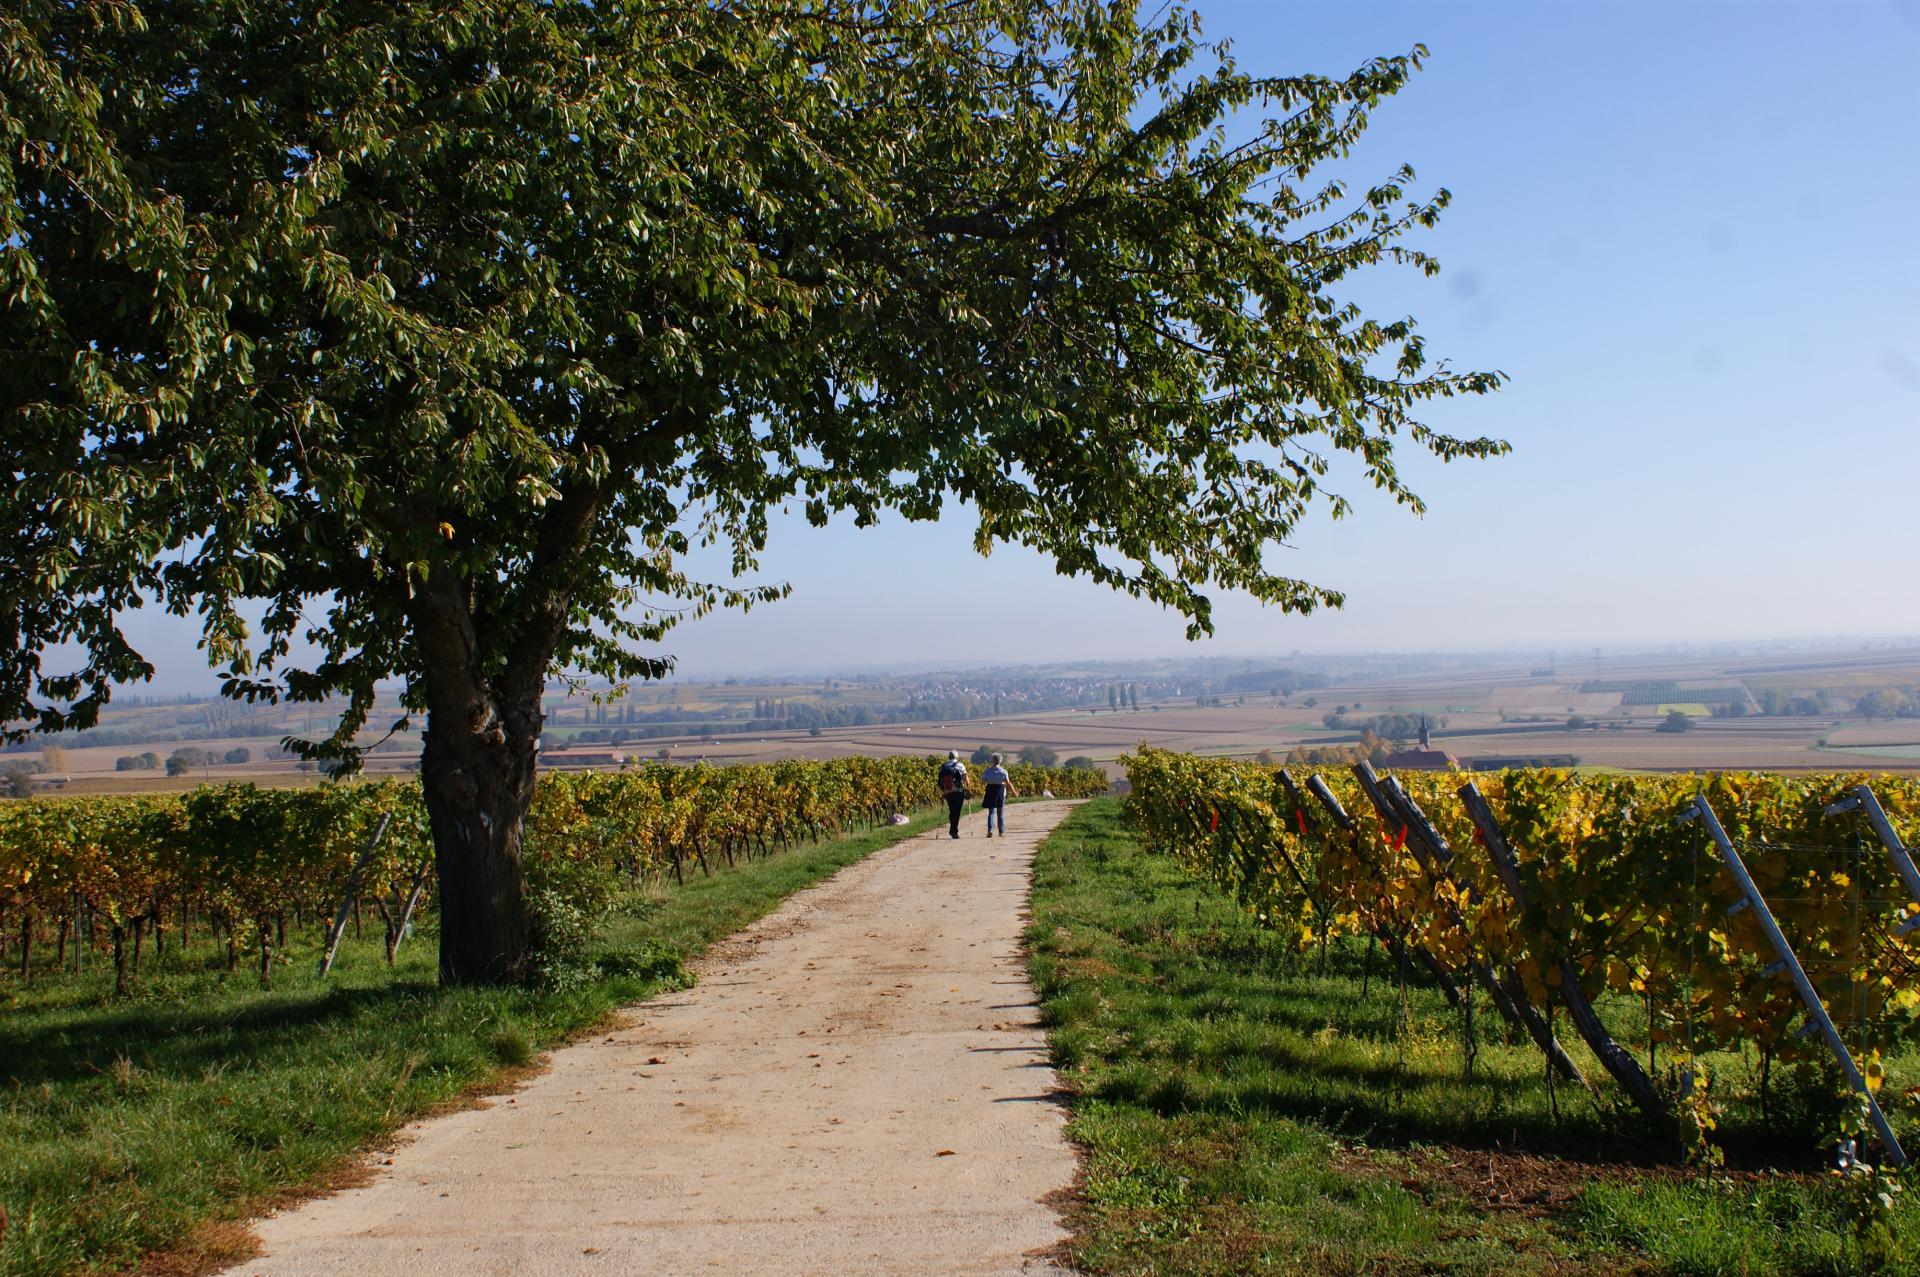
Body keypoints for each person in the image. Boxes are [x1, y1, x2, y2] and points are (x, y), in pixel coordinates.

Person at [981, 753, 1016, 837]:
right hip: (1000, 792)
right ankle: (1001, 831)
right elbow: (1008, 783)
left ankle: (990, 830)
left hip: (990, 791)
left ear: (992, 760)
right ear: (1000, 761)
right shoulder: (1003, 771)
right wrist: (1014, 792)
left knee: (991, 812)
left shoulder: (987, 771)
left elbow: (982, 781)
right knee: (1000, 813)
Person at [937, 750, 969, 838]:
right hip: (958, 790)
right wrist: (967, 785)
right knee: (957, 811)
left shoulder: (943, 766)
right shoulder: (960, 765)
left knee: (952, 810)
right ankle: (953, 831)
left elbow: (939, 779)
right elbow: (965, 778)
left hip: (947, 791)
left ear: (949, 757)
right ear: (957, 757)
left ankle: (953, 829)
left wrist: (942, 790)